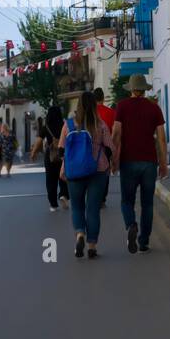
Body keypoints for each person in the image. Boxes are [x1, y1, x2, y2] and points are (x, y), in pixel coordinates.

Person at [112, 73, 168, 254]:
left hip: (128, 161)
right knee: (148, 204)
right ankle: (144, 241)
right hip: (149, 163)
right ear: (144, 90)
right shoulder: (154, 109)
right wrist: (163, 162)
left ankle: (131, 225)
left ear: (131, 89)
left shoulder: (122, 106)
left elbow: (116, 134)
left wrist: (114, 160)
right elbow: (161, 138)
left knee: (127, 201)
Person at [59, 90, 114, 259]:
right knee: (93, 209)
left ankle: (80, 234)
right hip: (98, 171)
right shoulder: (101, 124)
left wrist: (64, 168)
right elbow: (110, 148)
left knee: (77, 206)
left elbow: (62, 150)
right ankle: (91, 246)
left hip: (75, 172)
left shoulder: (68, 124)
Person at [30, 106, 70, 211]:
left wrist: (33, 153)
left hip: (50, 155)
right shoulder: (64, 125)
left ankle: (53, 205)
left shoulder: (46, 127)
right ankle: (63, 195)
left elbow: (38, 141)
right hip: (63, 154)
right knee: (63, 176)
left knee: (50, 180)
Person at [94, 88, 116, 209]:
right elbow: (114, 132)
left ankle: (93, 195)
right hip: (105, 148)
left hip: (92, 147)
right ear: (103, 98)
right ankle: (102, 198)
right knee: (104, 173)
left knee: (92, 171)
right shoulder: (110, 112)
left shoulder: (89, 112)